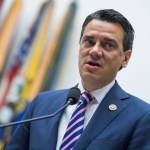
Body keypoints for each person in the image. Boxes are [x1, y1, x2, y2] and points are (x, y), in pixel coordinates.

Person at [6, 9, 150, 150]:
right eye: (89, 41)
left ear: (125, 58)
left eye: (108, 45)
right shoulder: (41, 104)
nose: (94, 51)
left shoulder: (141, 117)